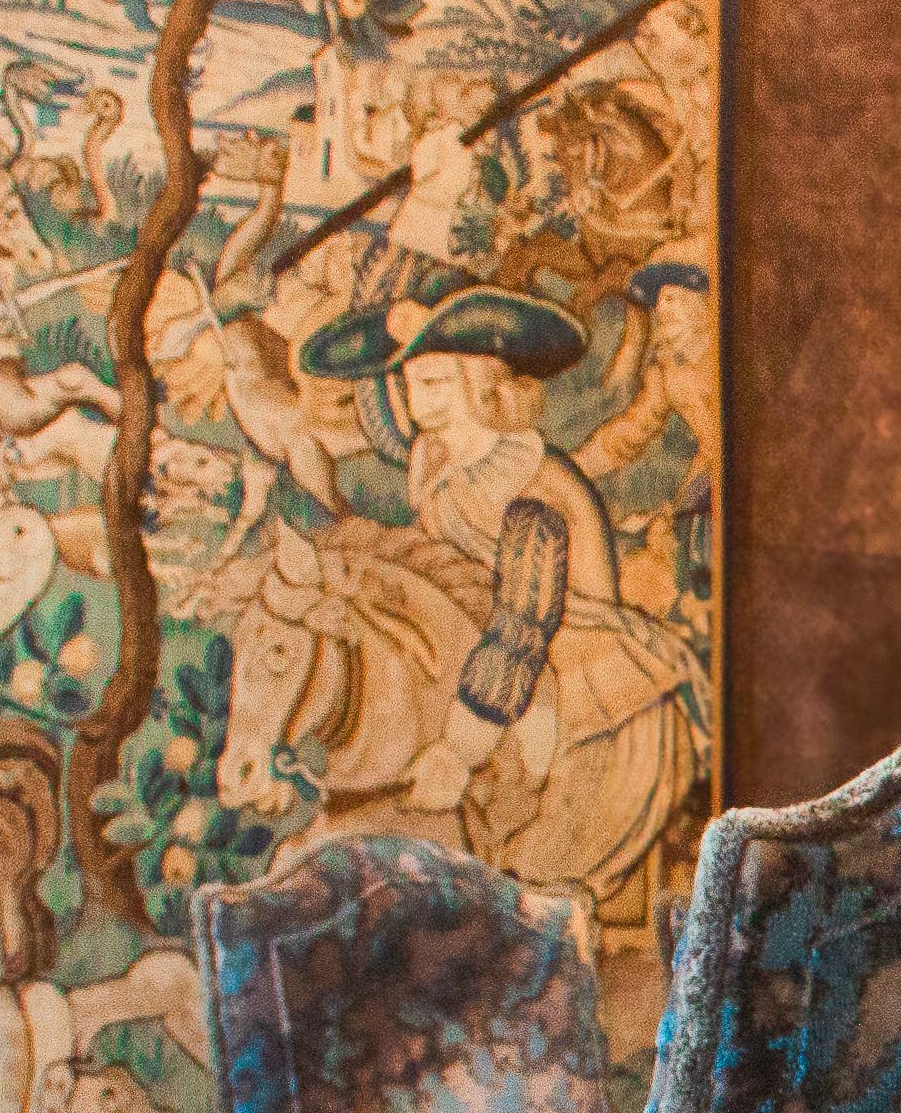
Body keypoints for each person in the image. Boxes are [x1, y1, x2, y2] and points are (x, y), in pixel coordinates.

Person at [292, 286, 703, 912]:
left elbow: (524, 620)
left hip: (579, 665)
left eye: (436, 382)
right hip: (497, 650)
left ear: (484, 388)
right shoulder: (441, 466)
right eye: (411, 382)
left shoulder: (528, 483)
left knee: (520, 821)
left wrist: (460, 749)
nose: (417, 398)